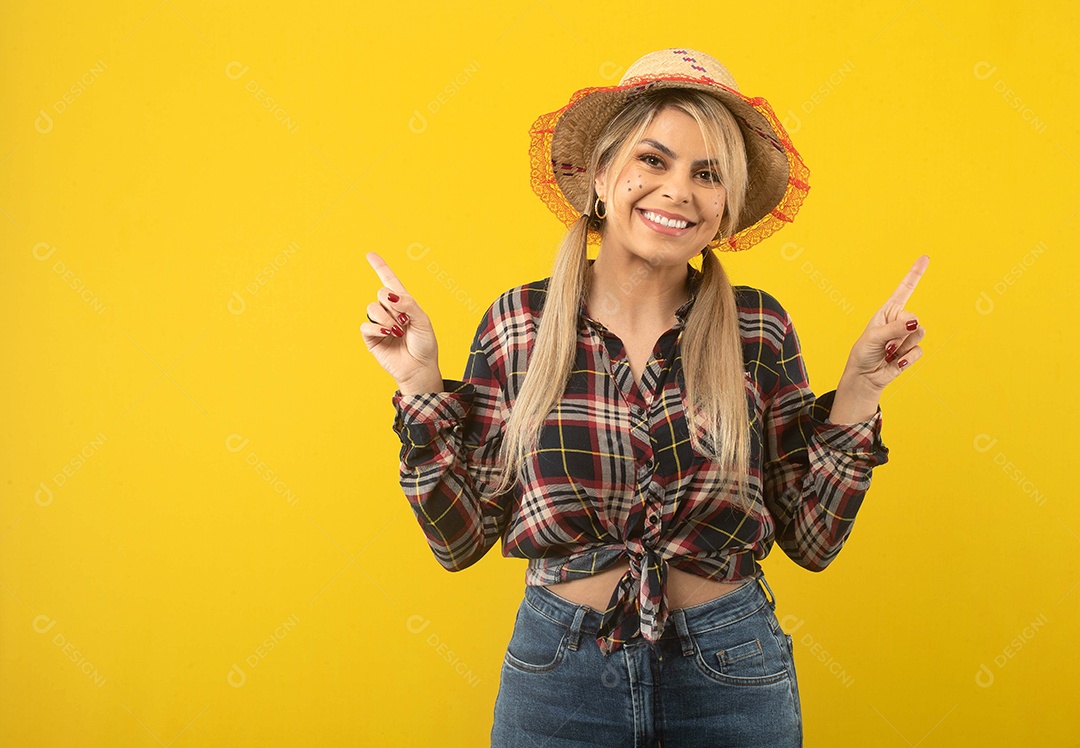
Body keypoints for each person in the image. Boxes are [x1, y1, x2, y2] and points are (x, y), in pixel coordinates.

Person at [362, 48, 927, 748]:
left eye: (707, 173)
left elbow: (811, 540)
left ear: (725, 207)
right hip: (558, 670)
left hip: (730, 669)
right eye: (653, 161)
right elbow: (458, 539)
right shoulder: (519, 323)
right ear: (602, 176)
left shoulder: (758, 327)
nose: (678, 191)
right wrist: (418, 385)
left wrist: (862, 392)